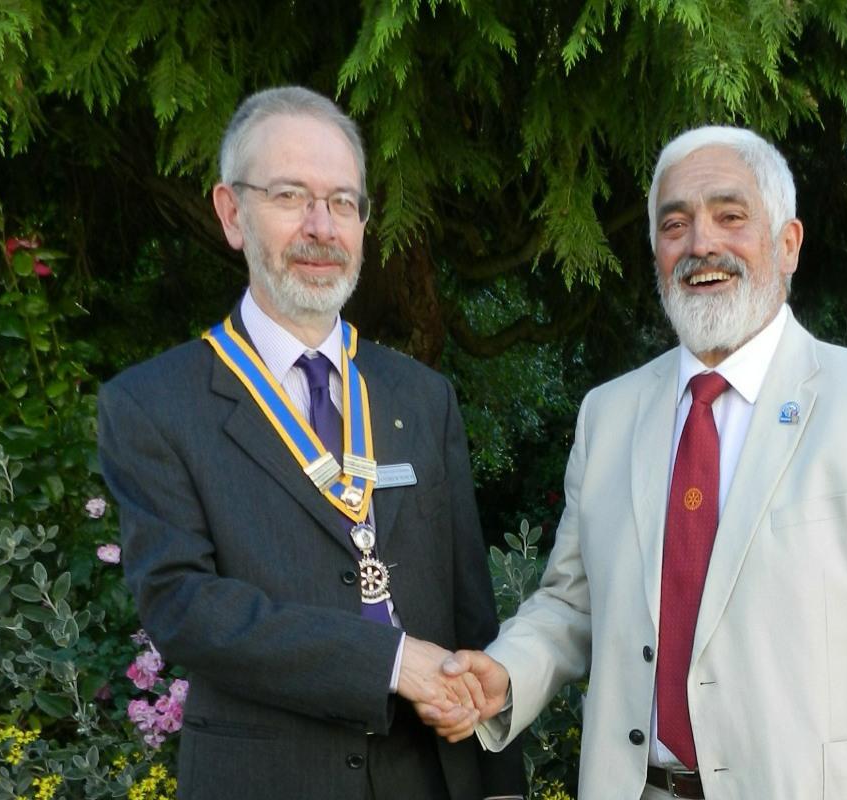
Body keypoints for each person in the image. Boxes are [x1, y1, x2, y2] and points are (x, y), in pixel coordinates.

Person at [424, 126, 847, 800]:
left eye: (730, 215)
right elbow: (572, 602)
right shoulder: (609, 414)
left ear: (788, 244)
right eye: (675, 225)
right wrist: (507, 673)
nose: (701, 244)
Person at [98, 86, 523, 800]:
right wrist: (389, 662)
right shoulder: (152, 404)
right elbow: (182, 608)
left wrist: (502, 782)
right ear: (232, 214)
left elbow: (471, 615)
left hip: (430, 779)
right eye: (291, 196)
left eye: (344, 202)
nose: (322, 228)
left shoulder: (421, 396)